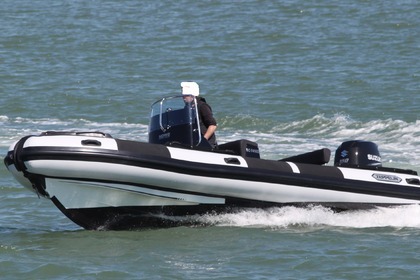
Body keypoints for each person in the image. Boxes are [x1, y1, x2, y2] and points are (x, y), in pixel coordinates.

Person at [181, 82, 217, 148]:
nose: (183, 97)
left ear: (192, 95)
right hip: (192, 143)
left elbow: (213, 125)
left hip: (207, 144)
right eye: (183, 95)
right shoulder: (187, 108)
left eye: (186, 95)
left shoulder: (202, 106)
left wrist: (204, 140)